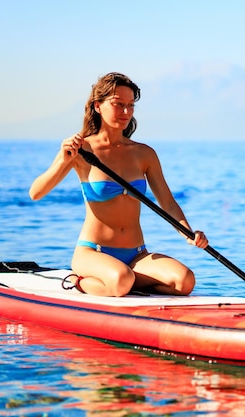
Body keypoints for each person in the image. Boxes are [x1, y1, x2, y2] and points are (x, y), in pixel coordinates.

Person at [29, 72, 208, 297]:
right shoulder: (80, 150)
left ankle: (121, 282)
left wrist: (189, 234)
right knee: (122, 279)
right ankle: (79, 282)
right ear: (98, 106)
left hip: (137, 255)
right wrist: (63, 160)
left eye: (130, 105)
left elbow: (168, 202)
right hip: (93, 251)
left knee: (184, 281)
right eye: (118, 104)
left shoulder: (144, 153)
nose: (126, 112)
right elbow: (36, 193)